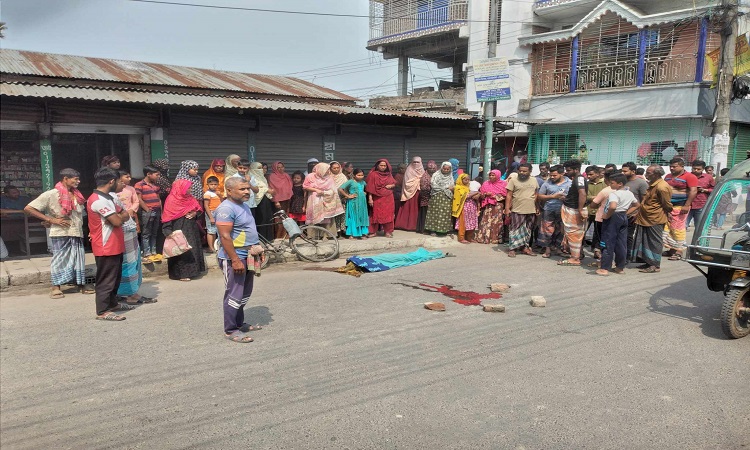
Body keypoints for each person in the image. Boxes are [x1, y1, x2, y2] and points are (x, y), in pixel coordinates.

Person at [24, 168, 93, 299]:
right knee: (60, 259)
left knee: (78, 259)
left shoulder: (77, 195)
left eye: (78, 179)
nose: (78, 181)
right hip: (60, 232)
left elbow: (82, 214)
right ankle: (56, 286)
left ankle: (80, 284)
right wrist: (50, 219)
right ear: (65, 179)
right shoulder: (51, 194)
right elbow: (29, 208)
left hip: (76, 231)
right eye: (75, 179)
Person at [215, 176, 261, 344]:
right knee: (234, 294)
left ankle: (239, 323)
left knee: (244, 292)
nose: (247, 191)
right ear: (229, 190)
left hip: (248, 255)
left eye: (247, 188)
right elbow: (225, 236)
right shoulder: (226, 209)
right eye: (242, 189)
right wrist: (234, 259)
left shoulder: (243, 206)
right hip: (235, 257)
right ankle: (230, 330)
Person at [87, 167, 131, 321]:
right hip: (105, 246)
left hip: (116, 244)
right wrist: (117, 217)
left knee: (115, 278)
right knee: (106, 280)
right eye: (118, 181)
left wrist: (117, 217)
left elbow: (125, 214)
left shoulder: (109, 198)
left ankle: (113, 304)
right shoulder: (97, 200)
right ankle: (102, 311)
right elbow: (118, 220)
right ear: (111, 181)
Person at [114, 171, 155, 305]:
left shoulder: (130, 189)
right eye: (122, 180)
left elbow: (135, 202)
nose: (126, 181)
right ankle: (129, 293)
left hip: (130, 224)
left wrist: (132, 213)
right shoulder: (111, 198)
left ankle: (131, 292)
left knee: (133, 260)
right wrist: (126, 215)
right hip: (123, 229)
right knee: (128, 262)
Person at [162, 179, 206, 281]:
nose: (190, 190)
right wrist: (168, 231)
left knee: (192, 248)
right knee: (180, 250)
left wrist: (195, 213)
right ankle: (181, 274)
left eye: (190, 188)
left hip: (191, 228)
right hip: (178, 228)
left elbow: (198, 210)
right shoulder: (172, 200)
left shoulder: (190, 198)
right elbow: (167, 216)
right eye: (188, 188)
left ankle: (194, 271)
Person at [631, 165, 673, 273]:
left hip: (655, 218)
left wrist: (669, 213)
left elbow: (667, 204)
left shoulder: (662, 187)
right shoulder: (652, 184)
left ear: (657, 174)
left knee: (654, 241)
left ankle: (655, 265)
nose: (646, 175)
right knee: (645, 240)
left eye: (649, 173)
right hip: (645, 217)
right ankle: (648, 261)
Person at [596, 173, 639, 276]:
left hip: (613, 218)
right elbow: (637, 205)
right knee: (621, 243)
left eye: (612, 183)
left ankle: (604, 268)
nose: (610, 185)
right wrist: (626, 213)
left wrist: (607, 215)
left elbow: (613, 206)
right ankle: (620, 267)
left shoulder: (614, 194)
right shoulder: (629, 193)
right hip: (623, 217)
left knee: (607, 242)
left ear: (619, 184)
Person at [663, 158, 698, 260]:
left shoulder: (690, 176)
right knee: (668, 228)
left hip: (681, 206)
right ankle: (671, 250)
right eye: (671, 166)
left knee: (678, 228)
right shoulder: (668, 176)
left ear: (682, 166)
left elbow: (693, 191)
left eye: (674, 166)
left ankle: (679, 251)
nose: (672, 168)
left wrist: (687, 205)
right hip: (668, 206)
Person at [556, 160, 587, 266]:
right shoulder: (577, 179)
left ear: (576, 170)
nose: (566, 172)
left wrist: (580, 209)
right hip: (571, 208)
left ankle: (575, 258)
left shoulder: (580, 179)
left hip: (574, 210)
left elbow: (582, 193)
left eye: (568, 170)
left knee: (574, 234)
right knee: (571, 233)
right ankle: (574, 255)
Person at [505, 163, 539, 257]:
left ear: (530, 172)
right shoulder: (513, 180)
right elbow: (509, 195)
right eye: (520, 171)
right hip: (517, 209)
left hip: (531, 209)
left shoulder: (534, 180)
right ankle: (512, 248)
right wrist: (507, 209)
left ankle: (525, 248)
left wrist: (536, 207)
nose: (522, 173)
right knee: (515, 229)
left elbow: (536, 194)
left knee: (528, 230)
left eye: (524, 171)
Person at [536, 165, 570, 258]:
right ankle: (547, 249)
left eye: (554, 175)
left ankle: (559, 249)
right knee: (547, 229)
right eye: (551, 175)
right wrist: (552, 196)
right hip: (549, 210)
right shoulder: (547, 183)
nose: (552, 177)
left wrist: (566, 198)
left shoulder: (569, 183)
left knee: (561, 230)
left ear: (562, 173)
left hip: (564, 210)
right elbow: (540, 196)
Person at [303, 162, 344, 233]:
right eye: (327, 169)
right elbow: (305, 186)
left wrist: (323, 192)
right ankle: (313, 235)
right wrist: (316, 190)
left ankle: (325, 235)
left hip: (326, 200)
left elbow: (333, 190)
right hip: (313, 200)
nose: (328, 171)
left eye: (328, 169)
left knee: (326, 217)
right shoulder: (310, 176)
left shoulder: (329, 178)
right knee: (314, 216)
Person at [135, 165, 163, 263]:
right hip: (147, 212)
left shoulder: (156, 185)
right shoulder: (140, 184)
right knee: (146, 232)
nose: (158, 176)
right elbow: (139, 198)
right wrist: (147, 209)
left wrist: (161, 211)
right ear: (148, 174)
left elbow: (159, 199)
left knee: (154, 232)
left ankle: (153, 251)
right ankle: (147, 252)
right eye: (157, 174)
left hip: (157, 211)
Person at [365, 159, 397, 238]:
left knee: (388, 215)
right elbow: (370, 188)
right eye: (381, 165)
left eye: (384, 165)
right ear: (377, 166)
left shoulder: (389, 174)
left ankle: (388, 232)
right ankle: (373, 232)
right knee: (375, 214)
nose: (383, 167)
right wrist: (370, 198)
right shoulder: (373, 174)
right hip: (377, 198)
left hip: (388, 197)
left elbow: (394, 183)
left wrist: (391, 186)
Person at [475, 169, 507, 245]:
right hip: (487, 206)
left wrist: (494, 196)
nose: (491, 177)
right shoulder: (486, 183)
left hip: (498, 206)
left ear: (498, 176)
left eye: (493, 175)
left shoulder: (503, 184)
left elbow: (505, 195)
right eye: (490, 175)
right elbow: (481, 194)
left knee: (496, 222)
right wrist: (485, 194)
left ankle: (495, 238)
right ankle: (484, 238)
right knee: (486, 221)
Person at [395, 156, 425, 231]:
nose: (416, 163)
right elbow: (407, 183)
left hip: (419, 193)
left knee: (417, 209)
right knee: (409, 208)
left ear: (421, 163)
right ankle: (406, 225)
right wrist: (417, 181)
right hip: (410, 193)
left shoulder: (423, 171)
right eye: (414, 162)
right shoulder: (409, 170)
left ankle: (416, 225)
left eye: (417, 162)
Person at [338, 169, 370, 239]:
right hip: (353, 202)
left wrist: (365, 193)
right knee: (353, 217)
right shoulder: (350, 182)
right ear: (354, 175)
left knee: (362, 216)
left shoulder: (363, 182)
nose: (360, 177)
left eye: (362, 175)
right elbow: (340, 189)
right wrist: (348, 196)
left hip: (362, 202)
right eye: (358, 175)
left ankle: (362, 233)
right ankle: (352, 234)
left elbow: (367, 189)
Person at [248, 162, 275, 242]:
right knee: (261, 219)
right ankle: (261, 238)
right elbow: (256, 189)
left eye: (262, 168)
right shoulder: (251, 177)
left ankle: (268, 238)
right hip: (258, 201)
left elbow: (264, 187)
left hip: (266, 200)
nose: (261, 170)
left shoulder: (262, 177)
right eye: (259, 168)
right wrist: (267, 190)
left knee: (268, 218)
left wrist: (268, 191)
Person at [268, 161, 294, 238]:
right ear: (274, 168)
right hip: (278, 201)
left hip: (287, 200)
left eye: (282, 167)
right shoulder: (272, 176)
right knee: (278, 219)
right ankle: (278, 236)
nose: (280, 169)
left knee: (286, 217)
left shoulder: (286, 175)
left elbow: (290, 186)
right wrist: (276, 201)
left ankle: (286, 234)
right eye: (278, 167)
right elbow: (272, 189)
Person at [687, 160, 715, 229]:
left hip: (701, 205)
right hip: (687, 204)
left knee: (699, 227)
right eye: (694, 168)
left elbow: (714, 189)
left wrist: (704, 190)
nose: (696, 170)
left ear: (703, 169)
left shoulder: (708, 177)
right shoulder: (687, 176)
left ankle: (697, 240)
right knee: (682, 227)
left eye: (698, 169)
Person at [585, 165, 605, 259]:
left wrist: (594, 198)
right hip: (587, 211)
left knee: (598, 233)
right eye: (587, 174)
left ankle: (596, 251)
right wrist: (597, 198)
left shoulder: (604, 184)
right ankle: (579, 252)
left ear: (597, 174)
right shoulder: (586, 184)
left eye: (591, 174)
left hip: (599, 212)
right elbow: (584, 196)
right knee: (582, 232)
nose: (588, 176)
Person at [452, 174, 480, 243]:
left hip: (472, 207)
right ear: (461, 180)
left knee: (471, 222)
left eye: (468, 179)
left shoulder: (468, 187)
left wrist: (477, 194)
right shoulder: (458, 188)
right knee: (463, 222)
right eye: (465, 180)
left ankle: (469, 237)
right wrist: (475, 193)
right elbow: (465, 196)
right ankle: (461, 238)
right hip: (463, 207)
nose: (467, 181)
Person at [417, 160, 437, 234]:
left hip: (435, 200)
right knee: (425, 215)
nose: (432, 170)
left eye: (433, 169)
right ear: (427, 169)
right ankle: (424, 230)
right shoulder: (424, 177)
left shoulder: (437, 176)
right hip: (426, 199)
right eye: (430, 169)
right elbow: (424, 188)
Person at [329, 161, 349, 236]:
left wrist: (345, 195)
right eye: (334, 168)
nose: (336, 169)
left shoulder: (342, 177)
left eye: (338, 168)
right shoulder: (328, 177)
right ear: (330, 168)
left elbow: (346, 187)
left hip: (342, 198)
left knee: (342, 214)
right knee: (334, 215)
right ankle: (335, 232)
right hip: (331, 198)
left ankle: (342, 230)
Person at [203, 176, 222, 252]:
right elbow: (206, 205)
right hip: (211, 212)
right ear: (207, 185)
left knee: (215, 231)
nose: (213, 186)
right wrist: (211, 217)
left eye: (215, 184)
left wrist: (220, 195)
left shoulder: (217, 193)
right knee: (211, 231)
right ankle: (210, 247)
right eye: (211, 184)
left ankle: (214, 246)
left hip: (218, 212)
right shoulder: (207, 194)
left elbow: (222, 201)